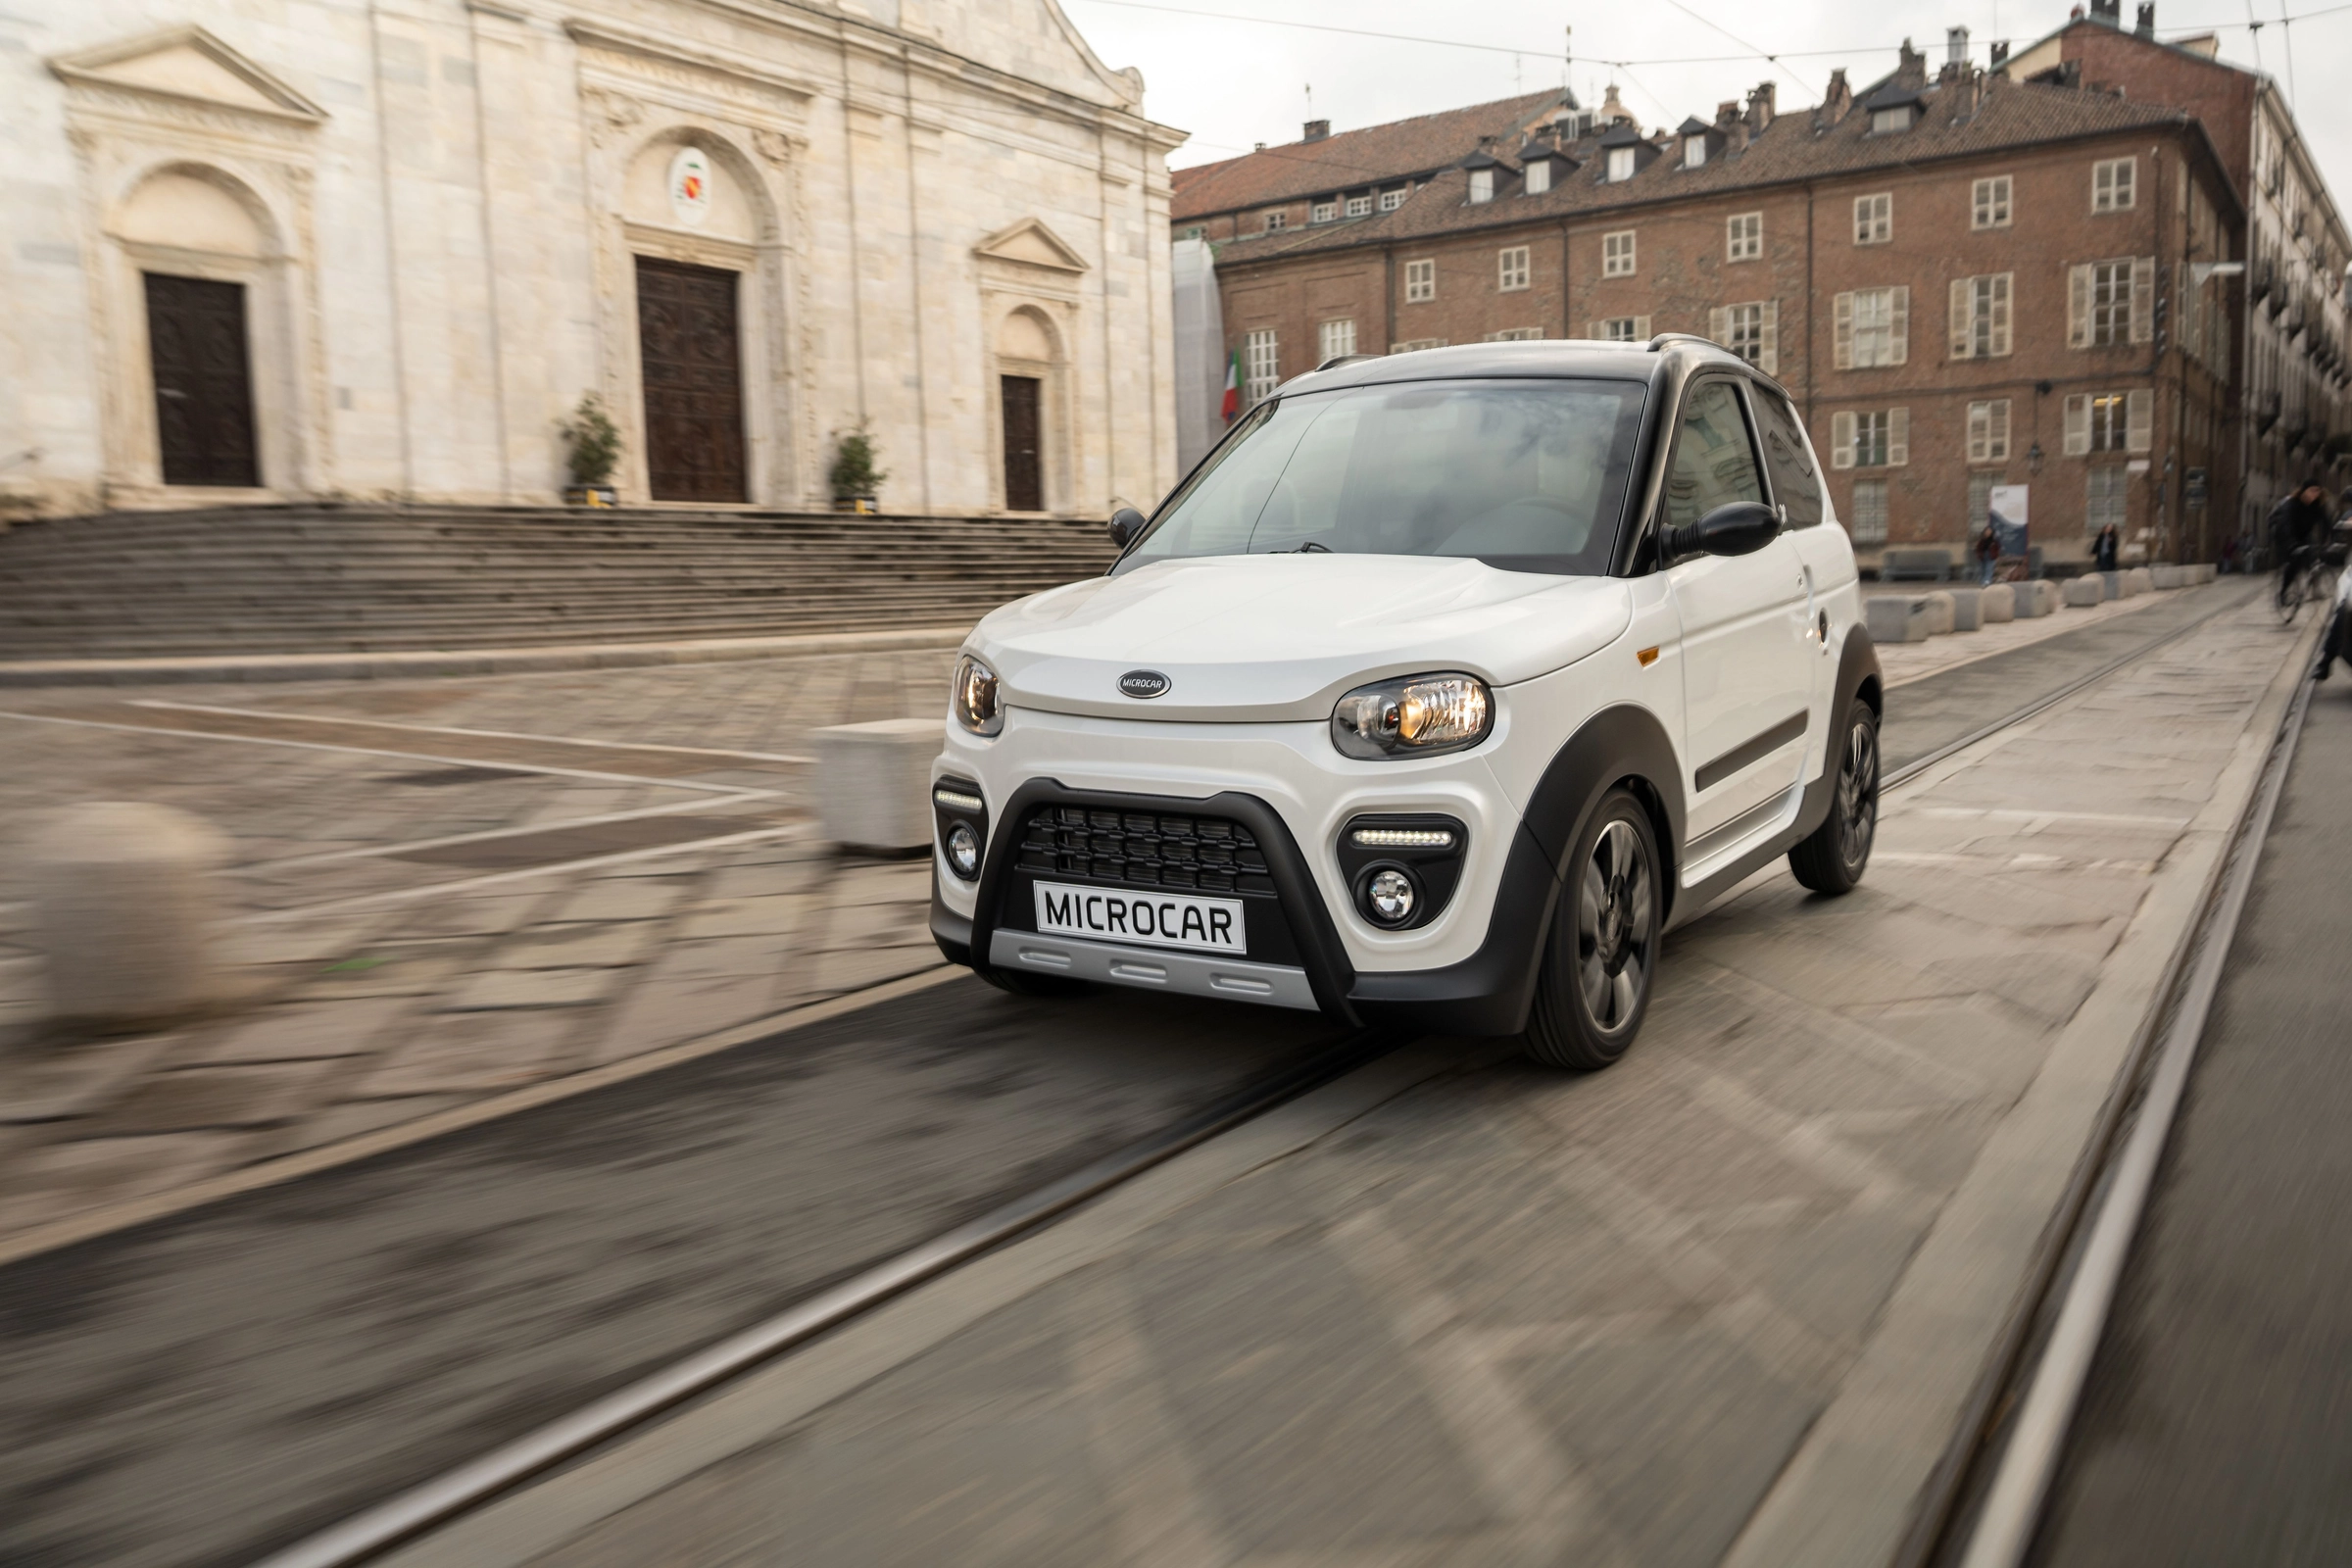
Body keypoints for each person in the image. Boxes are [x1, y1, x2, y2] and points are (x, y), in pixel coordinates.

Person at [2270, 482, 2331, 602]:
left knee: (2314, 558)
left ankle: (2315, 590)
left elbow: (2326, 523)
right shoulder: (2292, 504)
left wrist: (2327, 542)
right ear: (2304, 491)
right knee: (2294, 562)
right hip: (2283, 532)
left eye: (2317, 491)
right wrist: (2291, 544)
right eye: (2312, 490)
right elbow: (2285, 524)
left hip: (2302, 534)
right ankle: (2283, 592)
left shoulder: (2317, 506)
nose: (2315, 494)